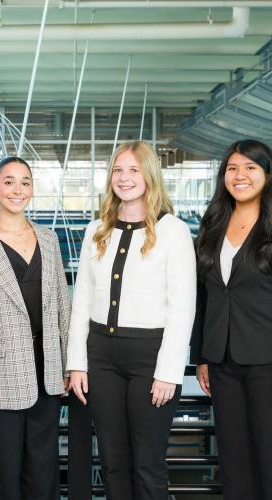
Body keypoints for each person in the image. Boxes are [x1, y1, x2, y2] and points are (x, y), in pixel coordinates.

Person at [67, 140, 197, 499]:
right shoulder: (96, 230)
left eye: (133, 170)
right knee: (112, 461)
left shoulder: (174, 231)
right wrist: (77, 363)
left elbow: (182, 308)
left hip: (150, 358)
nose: (124, 178)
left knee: (148, 465)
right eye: (117, 170)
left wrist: (169, 372)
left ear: (150, 175)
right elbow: (81, 301)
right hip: (101, 357)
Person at [191, 139, 272, 500]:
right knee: (236, 466)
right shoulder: (214, 222)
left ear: (268, 174)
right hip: (223, 364)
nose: (240, 175)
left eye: (250, 168)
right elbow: (206, 293)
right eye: (232, 168)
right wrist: (202, 354)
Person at [0, 156, 71, 500]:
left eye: (24, 182)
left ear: (32, 190)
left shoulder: (49, 240)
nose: (17, 189)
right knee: (1, 476)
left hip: (47, 374)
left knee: (43, 474)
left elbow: (63, 307)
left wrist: (68, 363)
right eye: (8, 181)